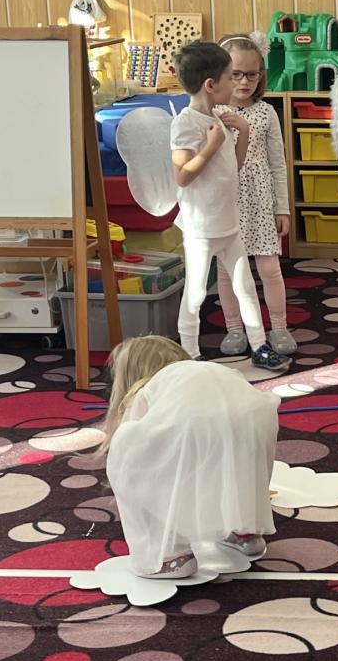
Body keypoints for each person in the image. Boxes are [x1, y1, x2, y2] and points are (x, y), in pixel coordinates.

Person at [99, 336, 279, 578]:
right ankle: (245, 530)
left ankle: (169, 556)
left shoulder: (150, 387)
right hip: (256, 415)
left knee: (131, 455)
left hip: (192, 424)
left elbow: (141, 453)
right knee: (230, 462)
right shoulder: (207, 371)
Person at [170, 41, 285, 369]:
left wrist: (243, 132)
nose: (236, 85)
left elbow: (233, 167)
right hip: (202, 227)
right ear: (211, 85)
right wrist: (211, 145)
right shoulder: (185, 123)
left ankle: (259, 346)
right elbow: (182, 176)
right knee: (195, 293)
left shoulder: (219, 115)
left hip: (228, 222)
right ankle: (190, 352)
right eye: (229, 77)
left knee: (245, 287)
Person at [213, 33, 296, 359]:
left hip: (260, 202)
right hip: (226, 201)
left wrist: (282, 208)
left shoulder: (266, 113)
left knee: (269, 269)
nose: (245, 82)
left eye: (252, 74)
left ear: (261, 75)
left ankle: (279, 327)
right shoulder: (213, 112)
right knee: (227, 271)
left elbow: (278, 163)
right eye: (236, 74)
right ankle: (235, 328)